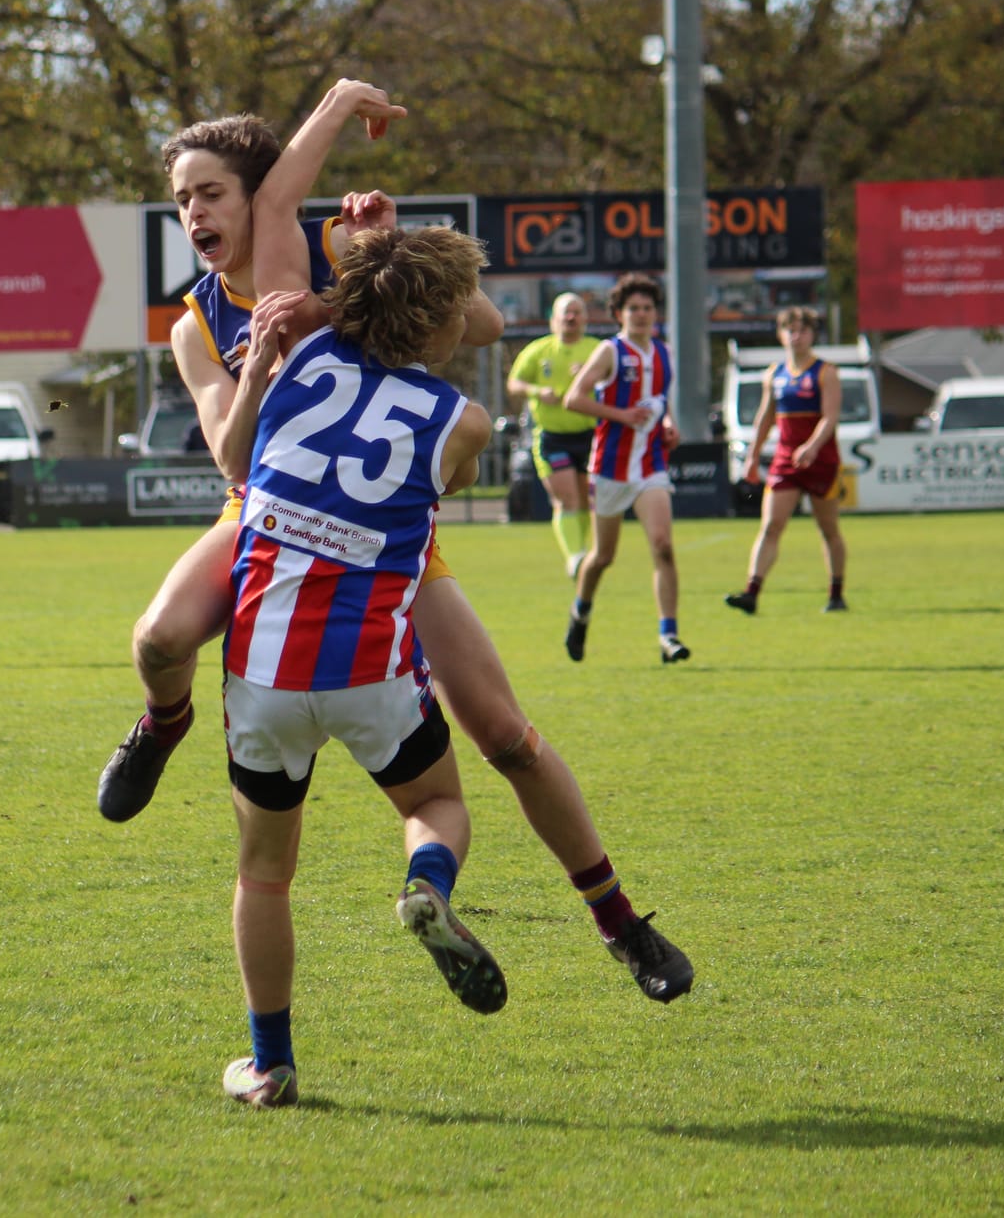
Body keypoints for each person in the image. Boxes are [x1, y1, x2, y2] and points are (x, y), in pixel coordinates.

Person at [102, 80, 693, 1007]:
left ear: (258, 196)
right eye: (182, 200)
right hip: (267, 516)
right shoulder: (196, 324)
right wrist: (280, 348)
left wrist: (374, 263)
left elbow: (479, 326)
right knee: (158, 637)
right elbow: (232, 456)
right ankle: (162, 724)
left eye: (211, 193)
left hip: (385, 536)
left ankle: (620, 922)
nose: (194, 214)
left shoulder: (332, 247)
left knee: (507, 738)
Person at [221, 223, 504, 1108]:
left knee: (264, 873)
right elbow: (440, 483)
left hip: (261, 670)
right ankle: (425, 885)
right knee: (436, 804)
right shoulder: (464, 420)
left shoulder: (303, 361)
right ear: (438, 320)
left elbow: (234, 462)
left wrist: (260, 370)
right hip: (370, 671)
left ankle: (269, 1064)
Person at [561, 274, 690, 665]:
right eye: (633, 308)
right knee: (603, 556)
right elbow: (573, 399)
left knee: (663, 546)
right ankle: (581, 612)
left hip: (651, 463)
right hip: (610, 467)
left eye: (647, 308)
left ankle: (668, 635)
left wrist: (669, 424)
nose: (641, 314)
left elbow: (659, 401)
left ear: (656, 313)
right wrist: (622, 415)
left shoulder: (665, 352)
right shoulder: (610, 352)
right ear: (619, 313)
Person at [726, 306, 849, 614]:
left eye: (803, 330)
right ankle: (751, 592)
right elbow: (765, 418)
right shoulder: (774, 374)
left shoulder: (826, 372)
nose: (797, 336)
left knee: (828, 529)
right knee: (770, 526)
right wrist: (752, 456)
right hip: (785, 460)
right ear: (781, 335)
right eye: (790, 330)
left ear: (813, 335)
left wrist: (812, 446)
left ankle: (836, 594)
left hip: (821, 460)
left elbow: (830, 417)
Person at [507, 291, 602, 578]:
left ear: (585, 318)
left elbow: (616, 384)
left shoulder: (598, 350)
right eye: (565, 312)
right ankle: (575, 557)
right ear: (553, 319)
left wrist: (592, 376)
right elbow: (514, 383)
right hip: (553, 437)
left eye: (576, 312)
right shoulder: (538, 350)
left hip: (590, 435)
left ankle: (581, 551)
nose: (571, 317)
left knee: (585, 499)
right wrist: (537, 391)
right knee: (566, 498)